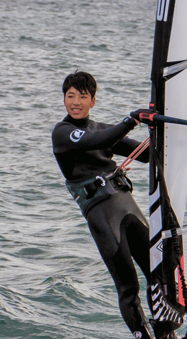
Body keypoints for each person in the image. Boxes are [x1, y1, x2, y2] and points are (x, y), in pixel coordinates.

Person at [51, 71, 155, 339]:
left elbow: (146, 155)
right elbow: (96, 142)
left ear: (93, 101)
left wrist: (163, 128)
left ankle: (167, 333)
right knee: (128, 286)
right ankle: (143, 336)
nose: (75, 102)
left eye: (82, 97)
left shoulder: (101, 128)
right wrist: (131, 120)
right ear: (64, 99)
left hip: (127, 207)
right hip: (102, 215)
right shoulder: (63, 133)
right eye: (70, 96)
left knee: (159, 272)